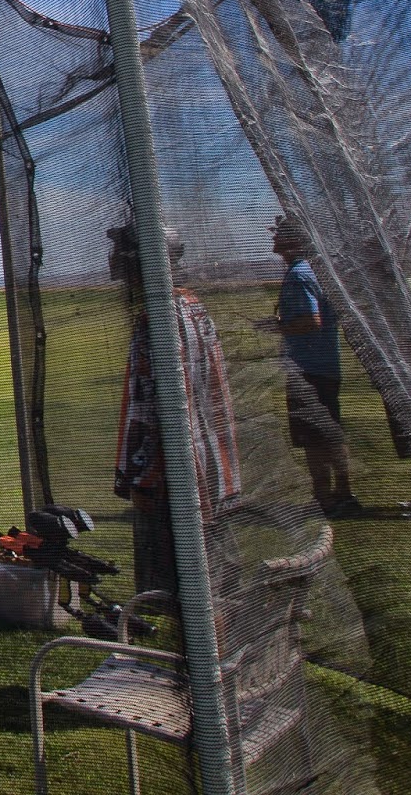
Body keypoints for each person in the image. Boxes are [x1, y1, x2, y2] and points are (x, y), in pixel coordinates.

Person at [110, 224, 242, 599]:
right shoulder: (189, 306)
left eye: (120, 253)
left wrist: (144, 473)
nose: (111, 263)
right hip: (197, 460)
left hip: (175, 472)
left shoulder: (161, 317)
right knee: (206, 566)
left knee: (175, 582)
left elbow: (161, 405)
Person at [271, 215, 358, 517]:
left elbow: (311, 321)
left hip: (308, 369)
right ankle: (342, 493)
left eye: (279, 235)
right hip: (325, 365)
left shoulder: (298, 275)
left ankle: (326, 498)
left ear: (294, 242)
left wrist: (277, 327)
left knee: (314, 438)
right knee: (331, 433)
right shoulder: (318, 271)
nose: (273, 240)